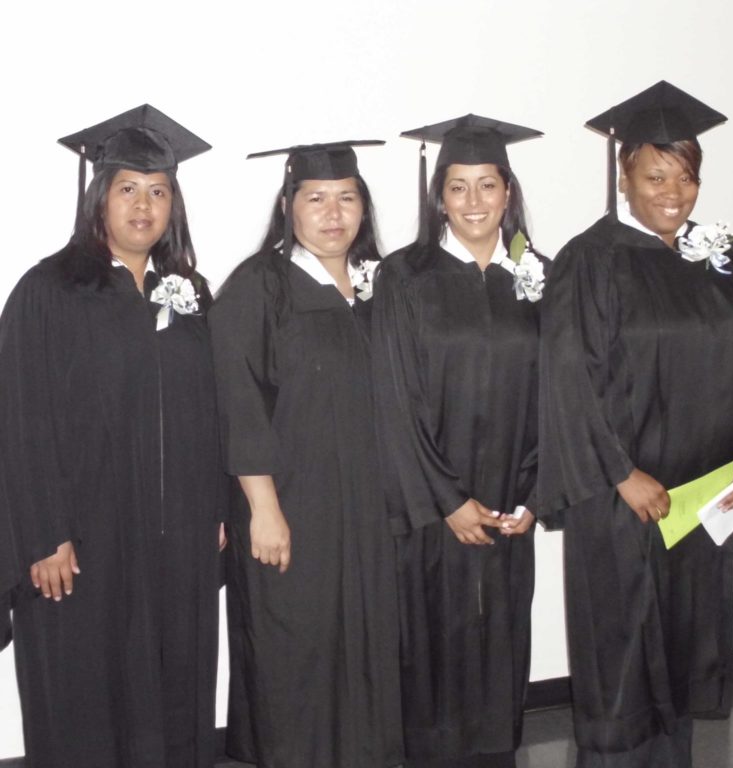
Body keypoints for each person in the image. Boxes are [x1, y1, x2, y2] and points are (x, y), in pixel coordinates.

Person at [537, 81, 733, 767]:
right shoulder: (592, 259)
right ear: (624, 175)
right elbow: (568, 377)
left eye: (686, 176)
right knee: (625, 665)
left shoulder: (722, 255)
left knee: (681, 658)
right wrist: (619, 473)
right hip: (626, 504)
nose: (674, 192)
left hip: (704, 502)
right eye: (655, 175)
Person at [0, 104, 226, 767]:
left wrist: (215, 508)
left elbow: (212, 410)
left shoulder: (188, 296)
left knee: (172, 692)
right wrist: (43, 534)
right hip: (82, 547)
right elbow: (20, 419)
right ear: (99, 196)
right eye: (128, 188)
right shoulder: (47, 293)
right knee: (85, 704)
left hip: (176, 543)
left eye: (159, 191)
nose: (144, 206)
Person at [208, 141, 403, 768]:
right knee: (295, 654)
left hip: (366, 512)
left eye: (347, 198)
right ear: (288, 206)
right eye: (315, 198)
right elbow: (238, 400)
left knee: (364, 650)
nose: (333, 213)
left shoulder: (380, 286)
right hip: (291, 507)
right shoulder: (259, 286)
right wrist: (262, 506)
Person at [372, 114, 545, 767]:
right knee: (432, 657)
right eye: (458, 187)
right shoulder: (405, 278)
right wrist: (445, 500)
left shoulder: (539, 275)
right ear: (437, 196)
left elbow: (560, 395)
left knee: (500, 648)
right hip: (431, 513)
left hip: (509, 504)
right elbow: (395, 400)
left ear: (508, 191)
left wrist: (533, 494)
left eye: (487, 185)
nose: (474, 202)